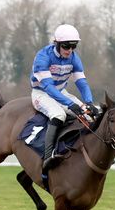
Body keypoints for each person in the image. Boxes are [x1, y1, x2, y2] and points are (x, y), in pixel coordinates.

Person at [31, 24, 100, 172]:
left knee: (88, 116)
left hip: (61, 92)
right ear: (57, 43)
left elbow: (82, 83)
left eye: (73, 46)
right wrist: (69, 104)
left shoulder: (74, 58)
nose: (69, 50)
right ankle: (47, 157)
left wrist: (88, 102)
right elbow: (48, 87)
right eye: (66, 46)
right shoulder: (43, 57)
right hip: (41, 93)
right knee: (59, 115)